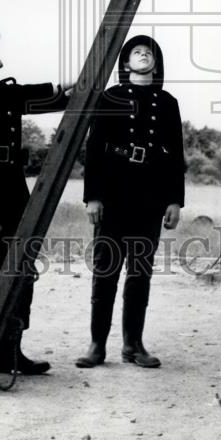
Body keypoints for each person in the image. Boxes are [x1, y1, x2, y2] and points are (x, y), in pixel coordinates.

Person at [0, 29, 68, 376]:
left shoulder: (5, 93)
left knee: (20, 273)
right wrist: (57, 87)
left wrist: (72, 93)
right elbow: (22, 95)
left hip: (10, 193)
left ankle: (10, 352)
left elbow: (47, 101)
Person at [75, 35, 185, 369]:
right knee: (105, 272)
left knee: (140, 274)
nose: (142, 54)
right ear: (125, 64)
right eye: (135, 51)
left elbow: (175, 154)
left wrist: (175, 201)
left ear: (156, 63)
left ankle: (133, 345)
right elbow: (94, 150)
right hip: (113, 195)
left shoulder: (167, 102)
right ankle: (97, 345)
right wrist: (92, 196)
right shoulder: (110, 97)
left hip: (150, 197)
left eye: (148, 51)